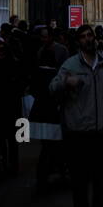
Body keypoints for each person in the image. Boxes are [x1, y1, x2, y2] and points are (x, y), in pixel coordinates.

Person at [49, 22, 103, 207]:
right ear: (78, 41)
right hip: (78, 137)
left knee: (100, 190)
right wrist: (66, 82)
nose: (89, 39)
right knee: (79, 191)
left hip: (100, 135)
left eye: (91, 36)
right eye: (84, 36)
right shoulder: (70, 65)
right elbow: (52, 88)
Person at [30, 29, 66, 196]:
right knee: (53, 145)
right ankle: (53, 174)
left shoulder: (40, 73)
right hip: (52, 112)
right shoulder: (51, 75)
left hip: (41, 113)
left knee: (48, 146)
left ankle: (47, 176)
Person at [0, 37, 22, 176]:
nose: (0, 54)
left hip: (8, 107)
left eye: (2, 51)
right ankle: (3, 164)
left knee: (10, 139)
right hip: (2, 108)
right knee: (3, 140)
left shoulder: (7, 65)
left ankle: (9, 165)